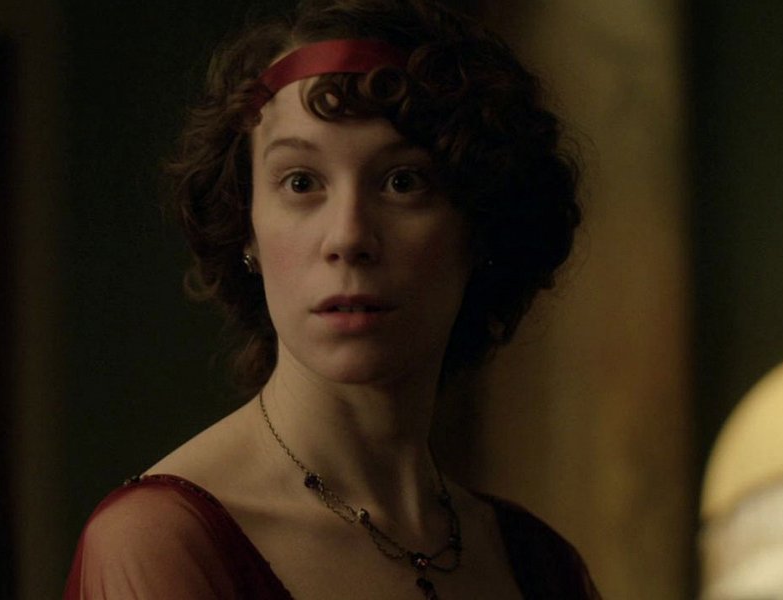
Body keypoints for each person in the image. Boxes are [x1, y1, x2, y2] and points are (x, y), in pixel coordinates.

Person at [65, 0, 600, 598]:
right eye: (301, 182)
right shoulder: (162, 541)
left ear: (479, 229)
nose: (348, 237)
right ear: (246, 229)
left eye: (403, 181)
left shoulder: (538, 563)